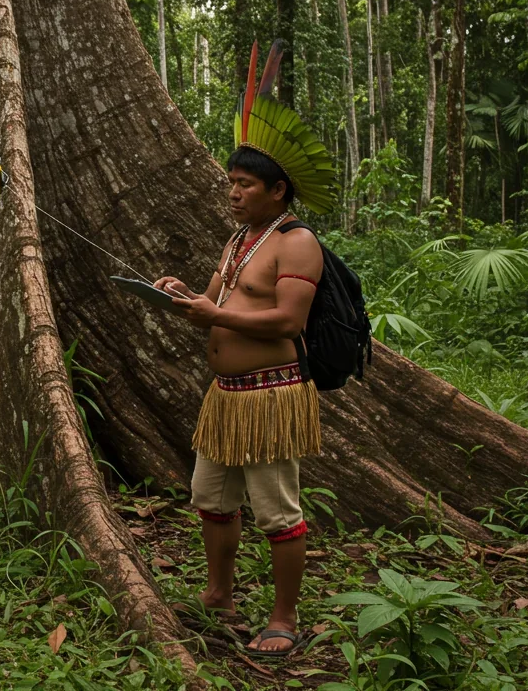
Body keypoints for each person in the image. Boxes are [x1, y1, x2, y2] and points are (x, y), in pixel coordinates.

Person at [153, 40, 337, 659]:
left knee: (277, 512)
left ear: (278, 189)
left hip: (272, 397)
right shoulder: (240, 240)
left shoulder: (297, 242)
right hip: (225, 397)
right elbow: (215, 301)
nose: (233, 193)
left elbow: (287, 320)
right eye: (230, 182)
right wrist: (183, 295)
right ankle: (220, 596)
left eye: (245, 184)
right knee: (211, 500)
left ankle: (283, 618)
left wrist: (213, 311)